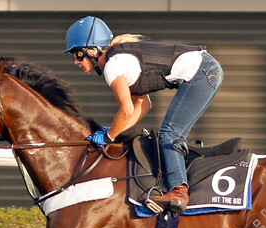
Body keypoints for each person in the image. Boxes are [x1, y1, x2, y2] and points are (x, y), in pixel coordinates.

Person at [64, 16, 223, 213]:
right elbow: (143, 105)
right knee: (174, 133)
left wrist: (109, 136)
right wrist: (117, 129)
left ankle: (178, 192)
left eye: (77, 55)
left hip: (202, 73)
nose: (76, 62)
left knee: (170, 133)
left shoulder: (113, 66)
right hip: (206, 70)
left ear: (92, 51)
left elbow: (126, 110)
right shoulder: (120, 61)